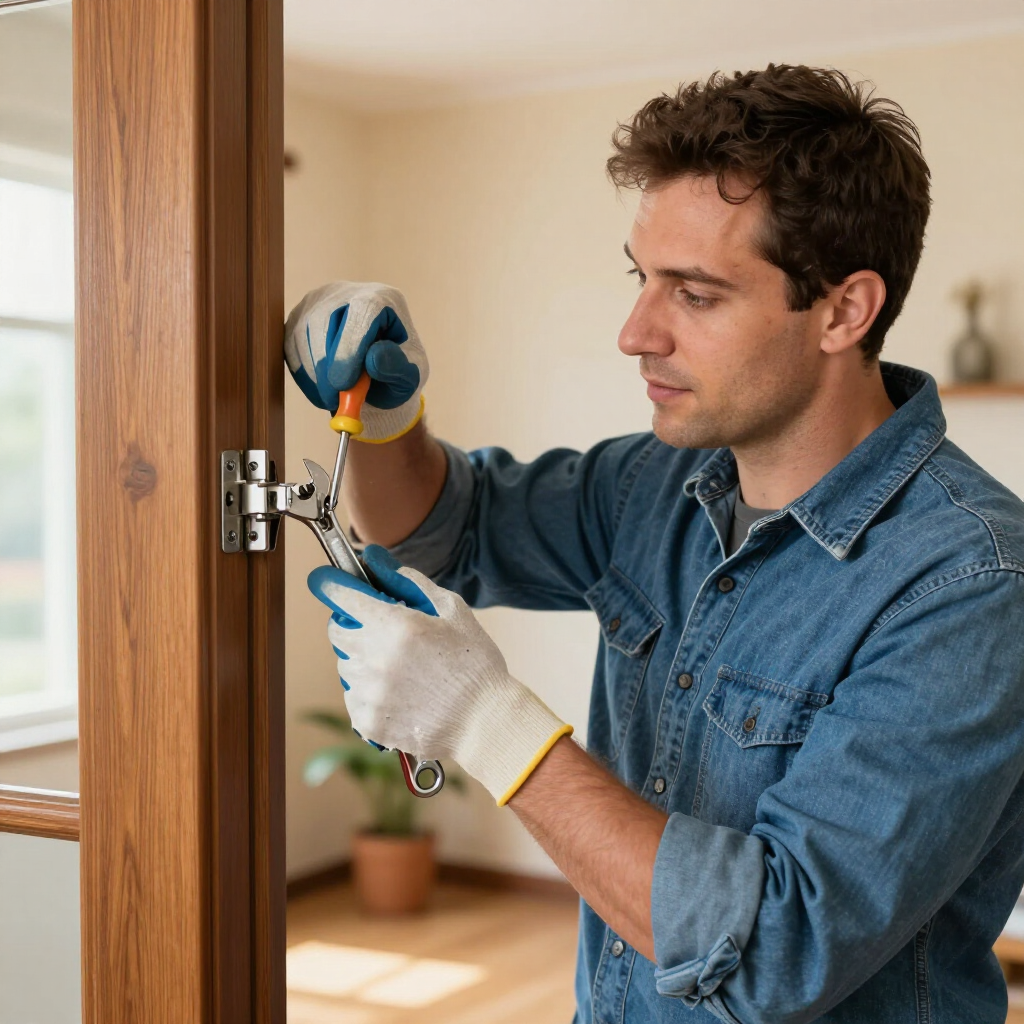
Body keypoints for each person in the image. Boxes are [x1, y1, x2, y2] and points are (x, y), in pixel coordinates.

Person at [284, 65, 1024, 1024]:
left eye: (697, 295)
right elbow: (447, 530)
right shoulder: (653, 482)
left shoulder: (970, 583)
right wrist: (389, 418)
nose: (636, 333)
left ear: (845, 310)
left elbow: (774, 953)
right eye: (643, 278)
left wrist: (488, 723)